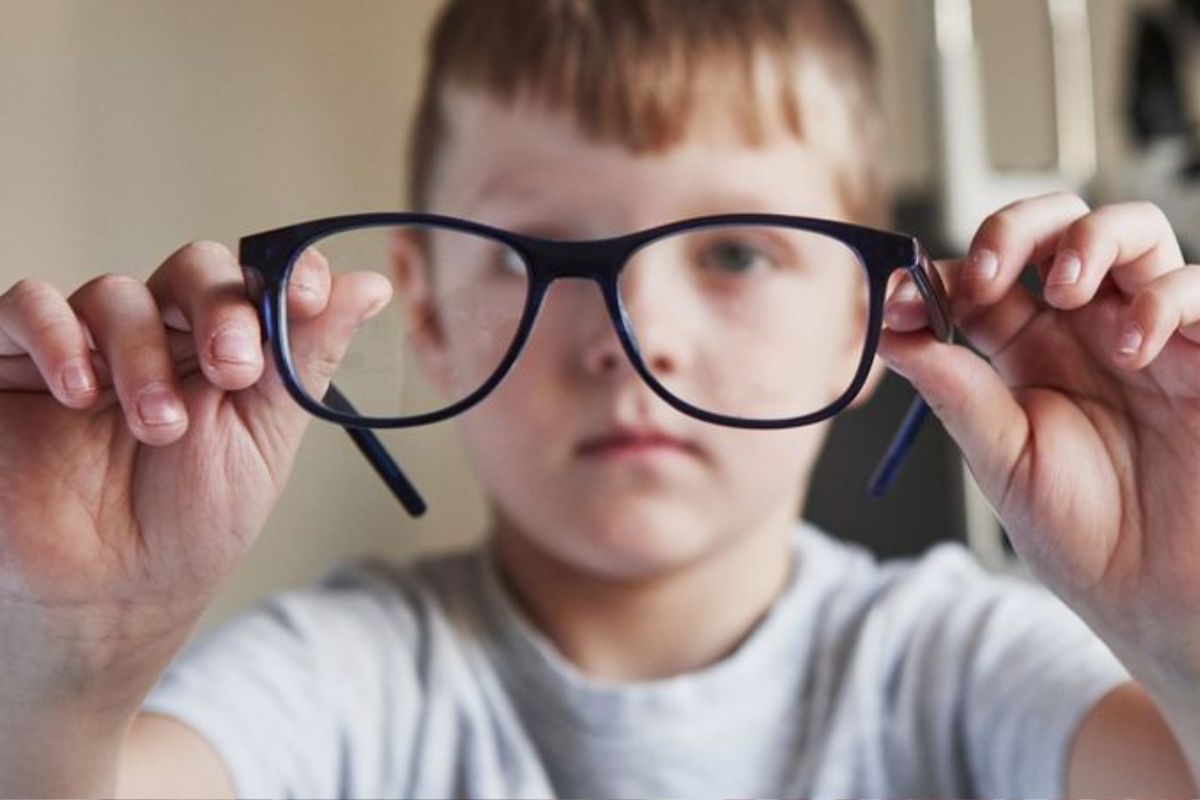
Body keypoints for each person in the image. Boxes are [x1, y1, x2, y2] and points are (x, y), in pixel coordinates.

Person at [3, 0, 1199, 797]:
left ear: (867, 315)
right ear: (425, 310)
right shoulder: (337, 681)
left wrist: (1182, 631)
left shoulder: (962, 662)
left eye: (736, 252)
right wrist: (65, 657)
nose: (635, 342)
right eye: (532, 253)